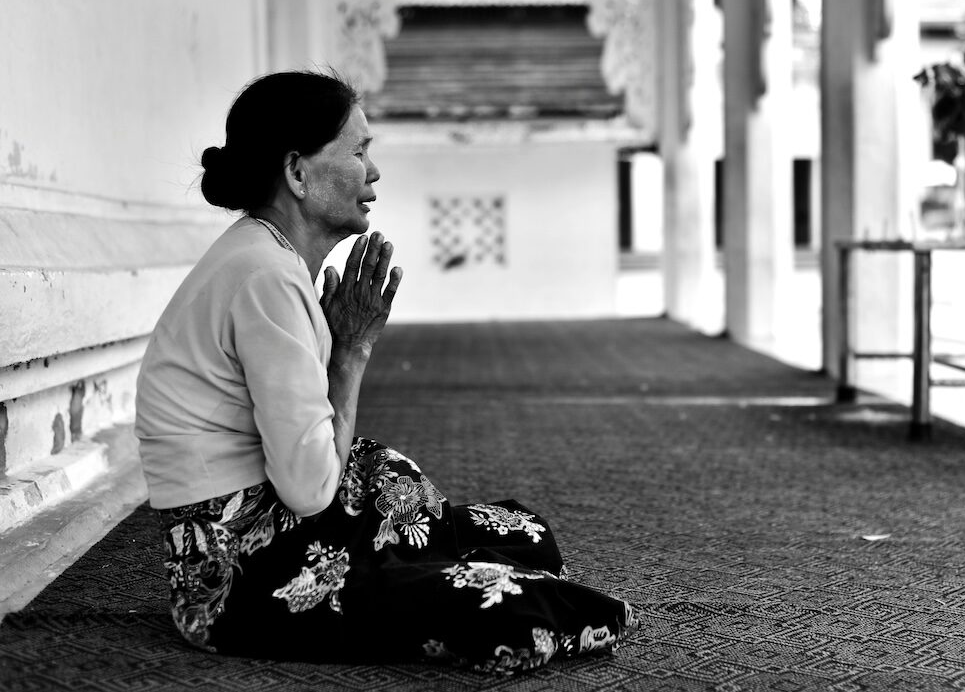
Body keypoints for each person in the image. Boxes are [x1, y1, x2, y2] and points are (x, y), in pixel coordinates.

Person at [134, 70, 637, 674]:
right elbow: (309, 488)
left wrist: (335, 351)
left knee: (522, 534)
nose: (373, 173)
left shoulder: (267, 260)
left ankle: (430, 569)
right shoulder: (265, 278)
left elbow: (304, 449)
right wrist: (350, 354)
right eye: (358, 151)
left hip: (278, 522)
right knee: (509, 612)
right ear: (297, 173)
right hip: (238, 580)